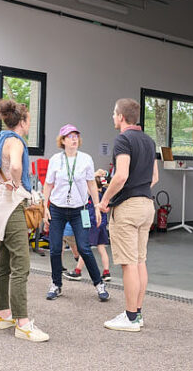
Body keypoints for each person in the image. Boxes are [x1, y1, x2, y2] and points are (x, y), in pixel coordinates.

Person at [0, 99, 49, 342]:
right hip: (12, 204)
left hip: (1, 202)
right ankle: (22, 323)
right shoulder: (16, 142)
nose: (29, 124)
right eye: (29, 121)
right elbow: (15, 165)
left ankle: (4, 314)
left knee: (4, 262)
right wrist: (17, 183)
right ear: (22, 122)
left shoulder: (0, 139)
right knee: (21, 264)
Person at [98, 99, 158, 331]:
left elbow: (121, 175)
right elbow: (154, 177)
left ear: (121, 117)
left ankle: (130, 317)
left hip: (127, 207)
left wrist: (105, 200)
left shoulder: (123, 139)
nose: (113, 117)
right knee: (140, 260)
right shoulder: (149, 141)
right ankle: (138, 313)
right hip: (146, 205)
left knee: (128, 264)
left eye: (114, 114)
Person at [42, 124, 110, 302]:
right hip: (57, 208)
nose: (74, 139)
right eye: (69, 136)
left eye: (76, 136)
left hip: (79, 210)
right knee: (55, 248)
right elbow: (48, 185)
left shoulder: (86, 159)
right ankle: (56, 284)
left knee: (84, 248)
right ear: (63, 140)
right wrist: (44, 208)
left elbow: (91, 184)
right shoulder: (56, 160)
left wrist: (96, 206)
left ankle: (99, 284)